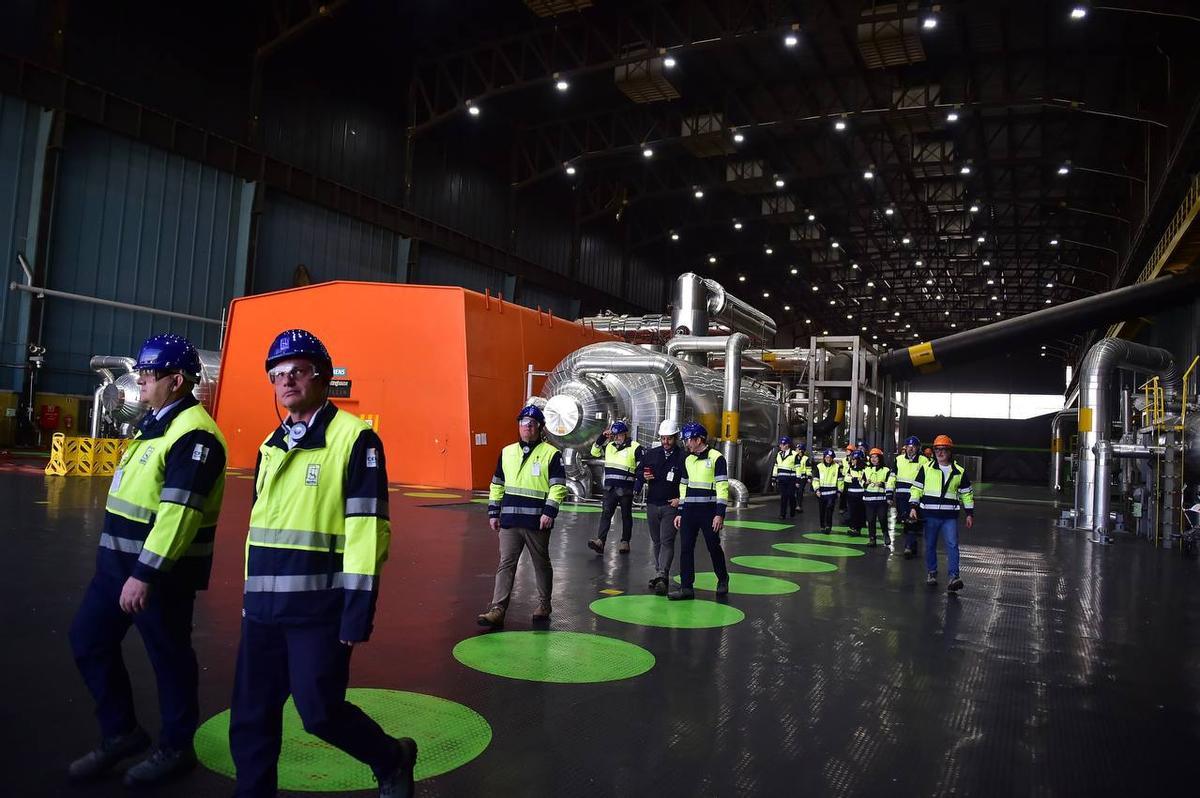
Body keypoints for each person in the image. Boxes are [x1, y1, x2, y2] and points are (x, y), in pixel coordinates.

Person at [228, 330, 416, 798]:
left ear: (323, 377)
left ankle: (391, 758)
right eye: (277, 374)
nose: (286, 381)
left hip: (319, 611)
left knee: (320, 713)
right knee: (251, 715)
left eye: (298, 371)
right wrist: (250, 598)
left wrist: (357, 610)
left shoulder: (355, 440)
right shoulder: (271, 444)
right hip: (263, 611)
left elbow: (367, 530)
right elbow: (260, 529)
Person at [68, 334, 227, 787]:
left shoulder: (195, 435)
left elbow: (179, 514)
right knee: (88, 640)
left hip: (159, 577)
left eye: (148, 373)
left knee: (169, 659)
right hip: (115, 570)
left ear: (176, 380)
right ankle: (121, 732)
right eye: (140, 371)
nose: (139, 380)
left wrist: (145, 574)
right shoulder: (154, 424)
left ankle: (176, 747)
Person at [478, 405, 568, 627]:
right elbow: (497, 484)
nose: (527, 427)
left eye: (532, 423)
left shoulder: (551, 454)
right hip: (509, 521)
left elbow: (558, 487)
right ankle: (497, 609)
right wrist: (493, 512)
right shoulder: (507, 452)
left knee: (541, 563)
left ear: (540, 427)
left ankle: (544, 604)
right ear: (518, 426)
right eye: (523, 423)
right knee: (506, 564)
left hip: (537, 522)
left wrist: (549, 512)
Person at [668, 422, 730, 600]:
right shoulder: (688, 460)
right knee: (686, 549)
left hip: (709, 512)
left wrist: (719, 514)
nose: (686, 443)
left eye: (688, 440)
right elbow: (683, 486)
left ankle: (723, 579)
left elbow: (722, 487)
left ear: (699, 439)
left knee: (713, 547)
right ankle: (686, 587)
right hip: (689, 512)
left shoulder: (717, 458)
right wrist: (680, 512)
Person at [908, 434, 975, 592]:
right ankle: (932, 572)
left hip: (949, 517)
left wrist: (969, 513)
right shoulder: (926, 469)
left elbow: (966, 494)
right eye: (937, 449)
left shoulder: (959, 472)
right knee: (930, 545)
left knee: (952, 545)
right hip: (930, 515)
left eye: (944, 449)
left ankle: (954, 577)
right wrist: (913, 506)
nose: (940, 452)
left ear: (950, 451)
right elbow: (916, 488)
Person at [587, 420, 644, 554]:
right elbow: (594, 452)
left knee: (626, 515)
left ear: (625, 434)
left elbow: (641, 469)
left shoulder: (635, 447)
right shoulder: (609, 446)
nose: (616, 438)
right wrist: (602, 437)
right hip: (610, 488)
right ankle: (600, 542)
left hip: (626, 489)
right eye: (614, 435)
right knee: (606, 514)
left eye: (619, 435)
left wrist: (638, 486)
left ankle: (625, 542)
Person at [643, 419, 686, 595]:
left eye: (669, 438)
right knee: (656, 541)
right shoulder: (652, 454)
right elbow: (640, 471)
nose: (666, 442)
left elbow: (688, 481)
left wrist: (681, 500)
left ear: (676, 438)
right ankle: (659, 573)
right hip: (653, 503)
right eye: (663, 438)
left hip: (671, 506)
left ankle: (662, 575)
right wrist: (643, 476)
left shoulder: (683, 457)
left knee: (667, 540)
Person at [893, 435, 931, 559]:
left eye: (913, 446)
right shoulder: (898, 459)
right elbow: (893, 476)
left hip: (916, 495)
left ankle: (908, 546)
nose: (911, 449)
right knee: (906, 521)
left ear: (918, 448)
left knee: (912, 520)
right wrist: (889, 493)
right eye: (908, 446)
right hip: (901, 496)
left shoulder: (924, 461)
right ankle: (912, 544)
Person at [863, 448, 896, 548]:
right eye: (872, 457)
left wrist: (882, 484)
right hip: (869, 499)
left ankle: (885, 535)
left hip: (881, 500)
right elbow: (862, 483)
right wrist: (865, 483)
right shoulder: (866, 470)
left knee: (882, 518)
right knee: (870, 520)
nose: (873, 459)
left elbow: (890, 483)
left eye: (876, 457)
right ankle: (872, 539)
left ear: (880, 458)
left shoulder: (886, 470)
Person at [812, 448, 843, 534]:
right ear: (824, 457)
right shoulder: (819, 467)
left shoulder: (837, 467)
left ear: (833, 458)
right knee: (822, 510)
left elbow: (840, 480)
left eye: (830, 457)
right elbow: (816, 479)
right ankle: (822, 526)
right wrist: (816, 489)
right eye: (827, 457)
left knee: (829, 509)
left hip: (832, 493)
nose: (828, 459)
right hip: (821, 493)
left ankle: (828, 526)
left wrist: (839, 491)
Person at [772, 436, 800, 520]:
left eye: (782, 444)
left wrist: (798, 480)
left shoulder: (794, 454)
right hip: (781, 479)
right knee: (783, 496)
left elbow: (798, 468)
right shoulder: (779, 454)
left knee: (791, 495)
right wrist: (774, 477)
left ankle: (792, 510)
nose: (780, 446)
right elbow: (776, 466)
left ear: (787, 445)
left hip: (791, 480)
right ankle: (782, 514)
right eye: (780, 444)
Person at [843, 449, 868, 536]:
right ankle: (853, 528)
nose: (852, 461)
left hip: (861, 494)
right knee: (852, 511)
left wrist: (855, 479)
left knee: (859, 512)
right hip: (851, 494)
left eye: (854, 459)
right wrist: (856, 479)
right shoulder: (851, 468)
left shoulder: (865, 469)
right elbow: (847, 479)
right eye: (852, 459)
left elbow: (864, 481)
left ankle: (857, 528)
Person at [794, 441, 811, 515]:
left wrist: (809, 477)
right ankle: (795, 505)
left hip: (802, 478)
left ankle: (799, 505)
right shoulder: (794, 457)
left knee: (800, 491)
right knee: (796, 492)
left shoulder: (805, 458)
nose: (796, 450)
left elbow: (808, 468)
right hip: (795, 477)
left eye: (797, 449)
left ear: (801, 450)